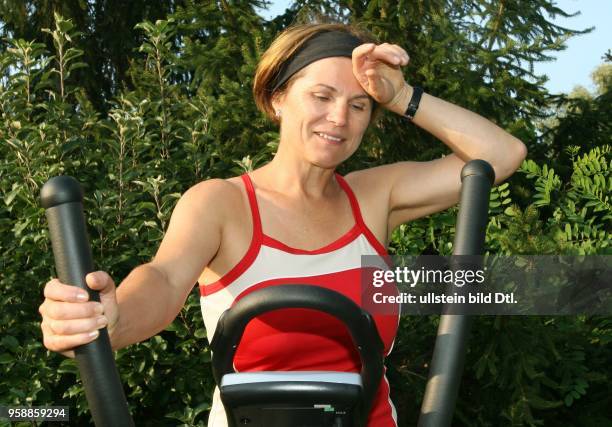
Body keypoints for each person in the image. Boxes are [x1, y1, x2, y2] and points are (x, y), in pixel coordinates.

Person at [39, 22, 527, 426]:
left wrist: (401, 96)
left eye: (359, 105)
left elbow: (502, 155)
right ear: (277, 99)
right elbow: (163, 281)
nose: (339, 118)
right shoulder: (221, 202)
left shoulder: (377, 196)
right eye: (321, 96)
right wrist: (110, 317)